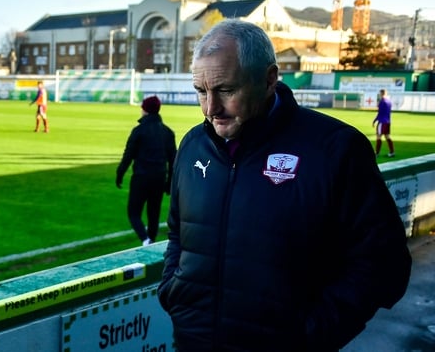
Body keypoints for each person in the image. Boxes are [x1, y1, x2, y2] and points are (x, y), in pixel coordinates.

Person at [157, 19, 411, 351]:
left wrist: (309, 334)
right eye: (201, 92)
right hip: (193, 342)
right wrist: (173, 293)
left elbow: (384, 264)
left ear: (269, 79)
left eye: (225, 90)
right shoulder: (192, 146)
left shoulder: (334, 149)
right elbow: (178, 233)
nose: (210, 109)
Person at [115, 95, 176, 246]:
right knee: (153, 214)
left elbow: (128, 155)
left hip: (141, 177)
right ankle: (151, 241)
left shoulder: (139, 131)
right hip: (159, 177)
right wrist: (170, 183)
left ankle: (145, 239)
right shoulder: (167, 132)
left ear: (145, 110)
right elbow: (173, 160)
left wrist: (120, 173)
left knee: (133, 212)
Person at [373, 88, 395, 158]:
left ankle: (376, 153)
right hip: (388, 121)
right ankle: (392, 152)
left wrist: (375, 120)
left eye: (380, 94)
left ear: (381, 93)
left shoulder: (382, 101)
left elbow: (380, 113)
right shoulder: (389, 101)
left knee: (378, 136)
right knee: (387, 136)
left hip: (382, 122)